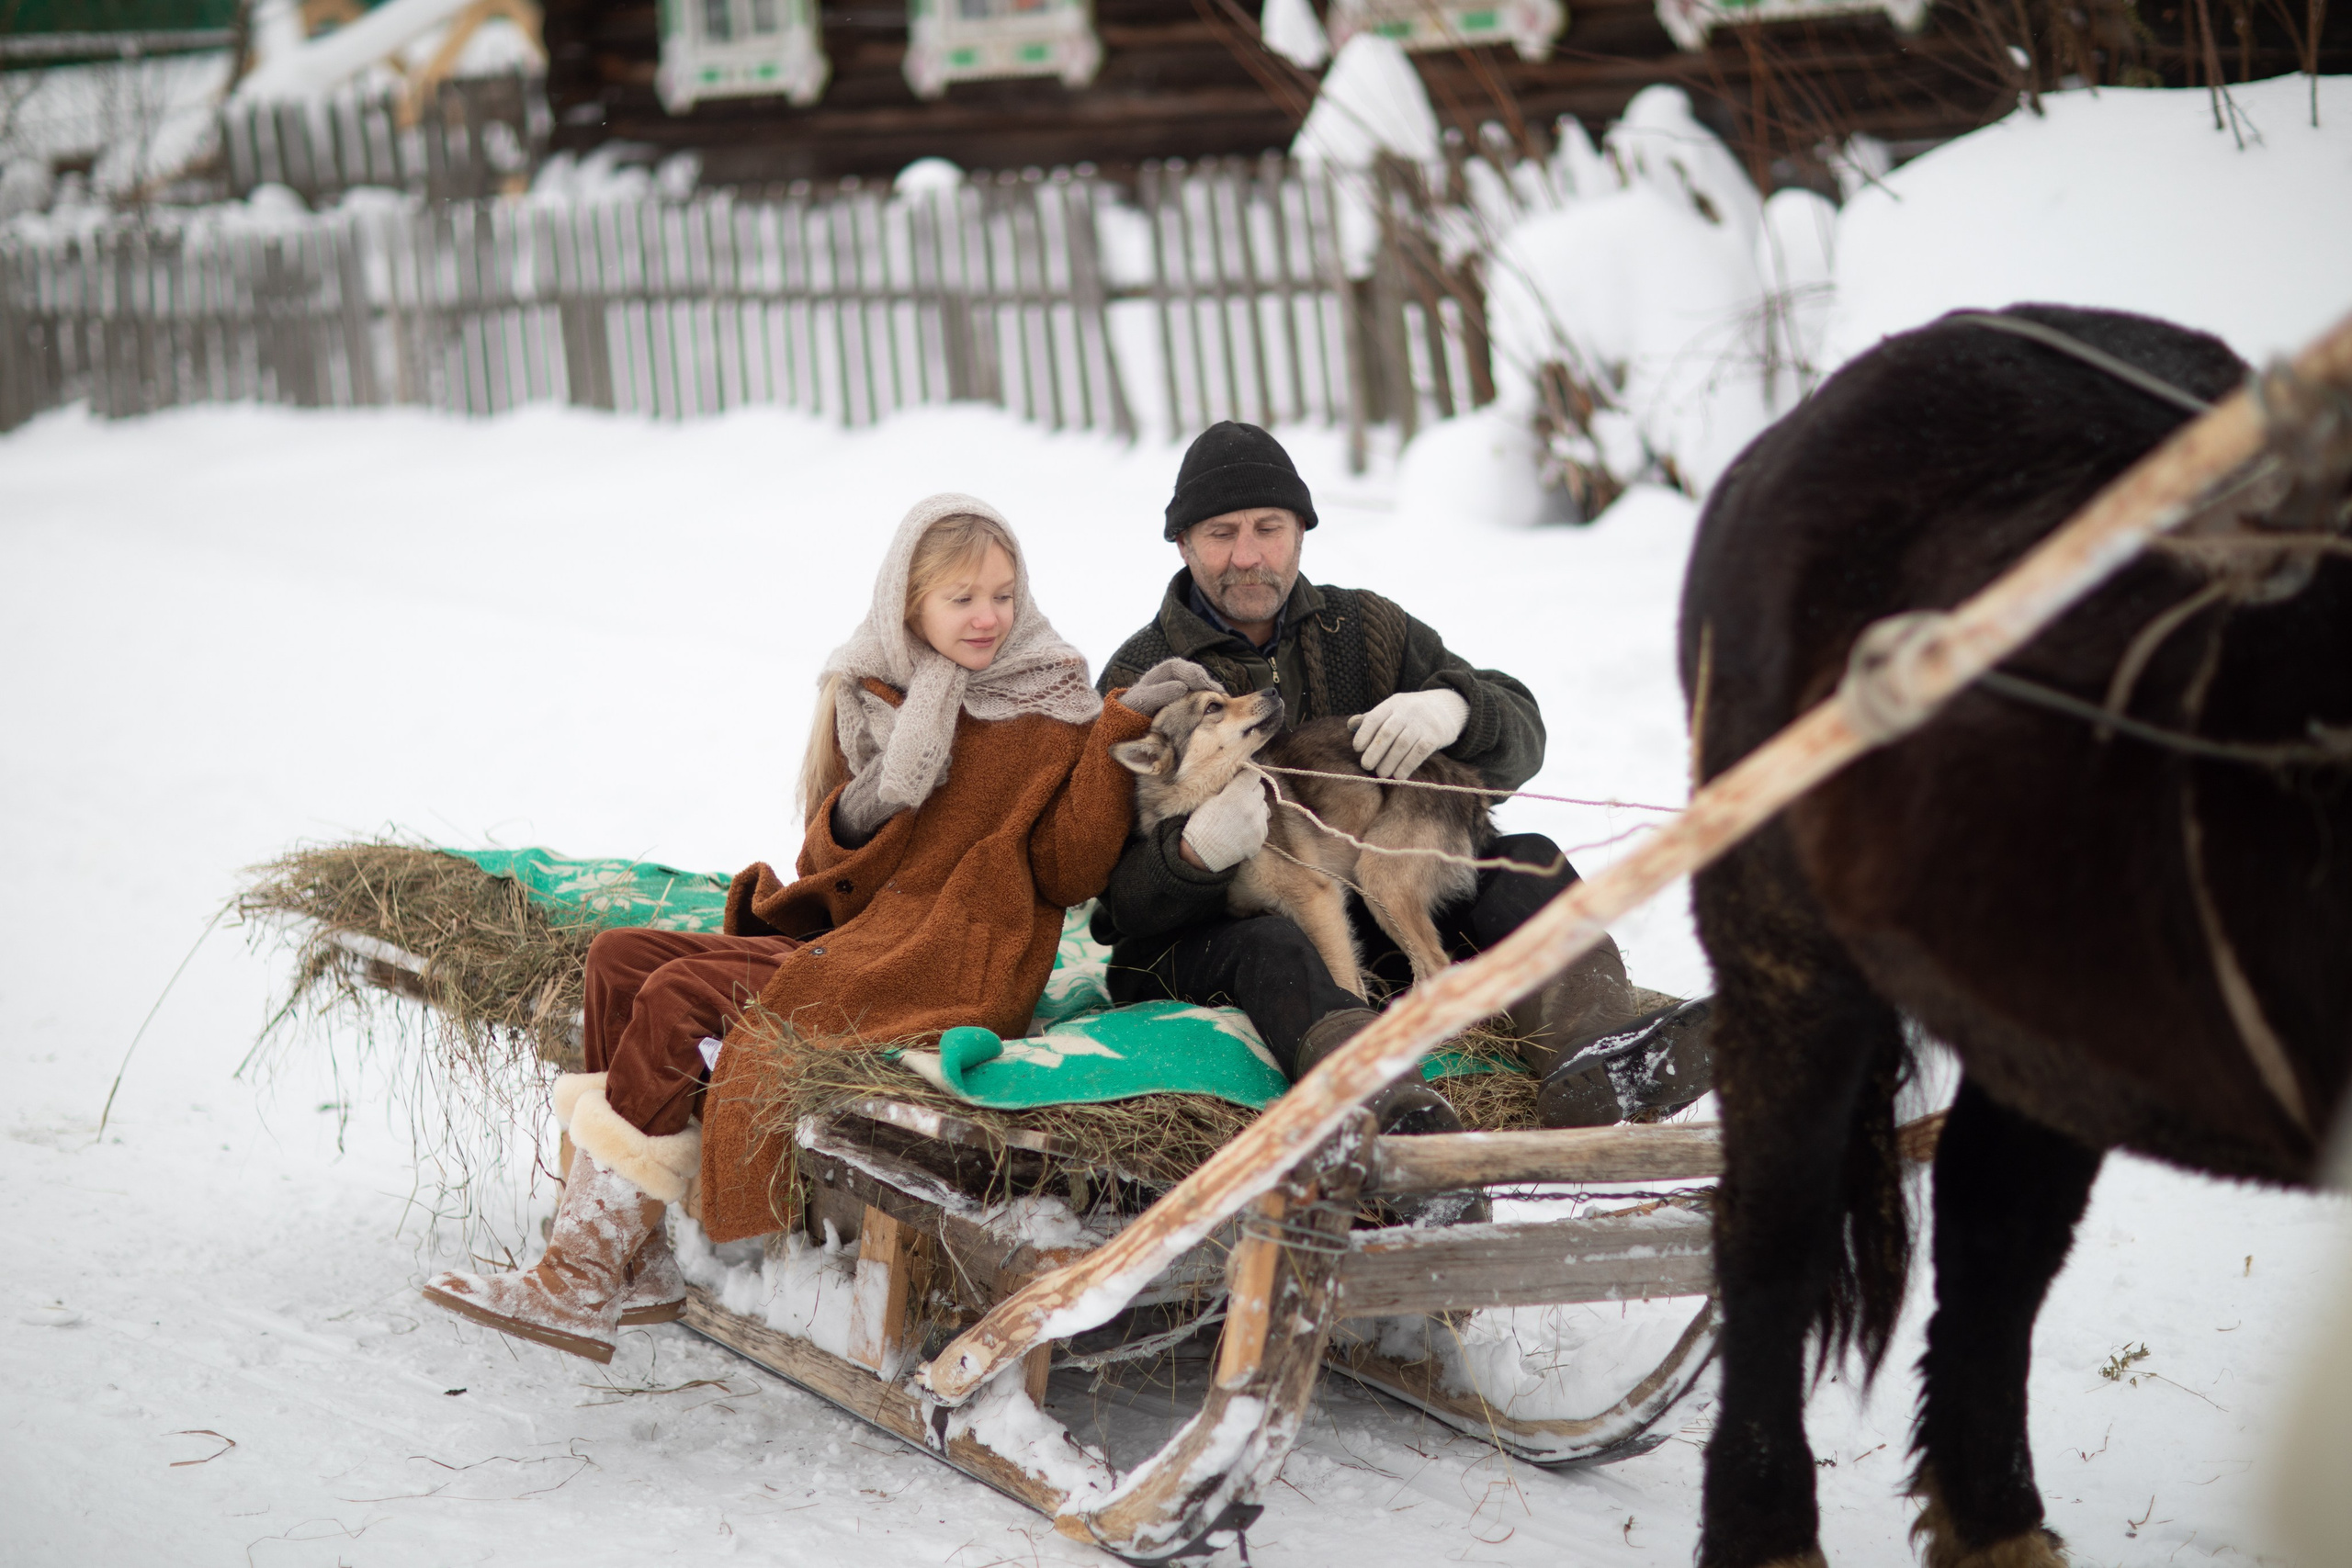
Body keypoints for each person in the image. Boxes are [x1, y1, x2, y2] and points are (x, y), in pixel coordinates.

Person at [423, 493, 1170, 1363]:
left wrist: (1120, 729)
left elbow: (1069, 869)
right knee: (620, 958)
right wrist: (880, 794)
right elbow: (827, 863)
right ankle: (640, 1256)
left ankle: (579, 1275)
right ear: (908, 603)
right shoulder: (880, 688)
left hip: (948, 960)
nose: (987, 616)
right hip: (863, 930)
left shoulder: (1055, 703)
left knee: (676, 996)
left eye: (1002, 593)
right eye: (961, 597)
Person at [1095, 422, 1712, 1134]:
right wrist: (1191, 856)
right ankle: (1385, 1108)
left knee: (1525, 859)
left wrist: (1457, 708)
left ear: (1301, 529)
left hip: (1383, 905)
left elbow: (1521, 736)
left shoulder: (1364, 628)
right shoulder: (1142, 679)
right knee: (1274, 935)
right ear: (1182, 542)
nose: (1247, 555)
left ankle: (1603, 1053)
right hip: (1226, 946)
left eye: (1269, 527)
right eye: (1220, 533)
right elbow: (1115, 903)